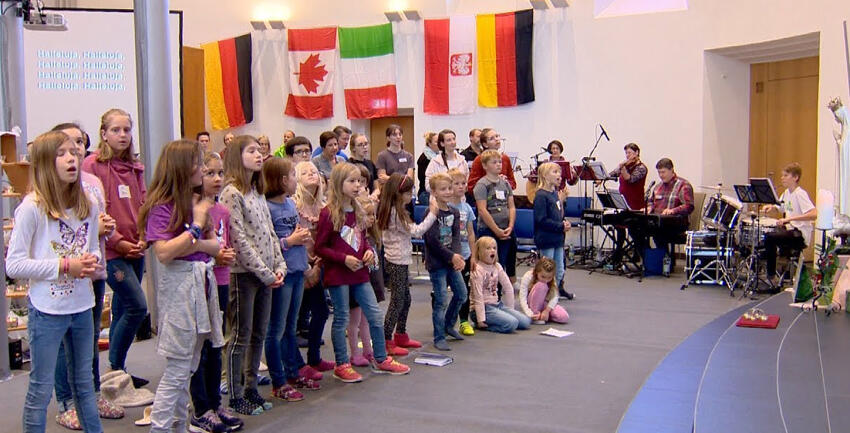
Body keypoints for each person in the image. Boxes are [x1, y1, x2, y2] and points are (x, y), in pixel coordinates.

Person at [8, 131, 104, 433]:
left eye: (74, 152)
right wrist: (65, 265)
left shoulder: (87, 203)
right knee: (40, 388)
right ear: (46, 163)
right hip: (47, 309)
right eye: (61, 153)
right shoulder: (31, 208)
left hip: (81, 305)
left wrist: (91, 263)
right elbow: (14, 264)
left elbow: (93, 249)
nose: (71, 158)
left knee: (85, 386)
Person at [138, 140, 225, 433]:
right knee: (177, 367)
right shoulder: (163, 206)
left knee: (191, 362)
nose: (203, 169)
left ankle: (178, 425)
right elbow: (164, 253)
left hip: (202, 282)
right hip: (180, 286)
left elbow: (216, 246)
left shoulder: (198, 202)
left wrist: (192, 240)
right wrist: (197, 228)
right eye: (198, 163)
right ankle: (161, 428)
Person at [49, 123, 121, 429]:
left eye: (79, 142)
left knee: (89, 339)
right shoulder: (48, 184)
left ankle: (91, 394)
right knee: (64, 342)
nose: (75, 149)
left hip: (94, 271)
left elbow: (99, 226)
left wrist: (108, 227)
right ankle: (67, 401)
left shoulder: (92, 181)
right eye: (66, 144)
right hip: (64, 276)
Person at [315, 163, 411, 383]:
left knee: (375, 315)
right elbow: (321, 247)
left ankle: (380, 357)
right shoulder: (328, 213)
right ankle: (342, 363)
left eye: (359, 181)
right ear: (339, 184)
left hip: (359, 273)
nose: (357, 185)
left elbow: (363, 239)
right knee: (341, 318)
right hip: (339, 275)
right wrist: (343, 258)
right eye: (351, 181)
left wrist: (367, 252)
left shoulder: (358, 209)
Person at [82, 108, 149, 387]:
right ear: (103, 134)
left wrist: (144, 237)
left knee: (123, 311)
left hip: (136, 247)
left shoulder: (135, 166)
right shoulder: (92, 165)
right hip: (110, 250)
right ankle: (112, 368)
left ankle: (118, 371)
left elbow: (143, 204)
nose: (122, 135)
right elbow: (92, 213)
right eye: (116, 130)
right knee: (138, 306)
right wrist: (119, 242)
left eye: (126, 130)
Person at [219, 135, 286, 415]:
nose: (259, 156)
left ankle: (250, 388)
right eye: (251, 151)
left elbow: (270, 233)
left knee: (259, 332)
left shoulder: (257, 192)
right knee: (240, 335)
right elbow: (239, 239)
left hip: (266, 274)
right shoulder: (231, 193)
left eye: (260, 151)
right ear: (237, 156)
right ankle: (235, 394)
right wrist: (264, 272)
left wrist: (279, 266)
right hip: (244, 274)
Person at [188, 151, 243, 433]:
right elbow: (193, 249)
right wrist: (215, 256)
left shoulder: (222, 211)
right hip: (200, 281)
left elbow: (226, 243)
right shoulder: (195, 210)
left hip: (221, 282)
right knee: (201, 347)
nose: (217, 178)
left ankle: (214, 401)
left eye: (221, 173)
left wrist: (226, 257)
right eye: (210, 173)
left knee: (216, 342)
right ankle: (200, 406)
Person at [263, 157, 319, 404]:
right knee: (276, 329)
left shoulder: (289, 204)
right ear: (283, 180)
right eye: (294, 176)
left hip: (297, 270)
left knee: (290, 327)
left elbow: (296, 235)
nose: (296, 181)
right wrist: (290, 241)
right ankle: (278, 380)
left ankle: (292, 372)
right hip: (282, 274)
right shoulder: (267, 208)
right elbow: (269, 243)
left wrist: (306, 260)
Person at [377, 174, 438, 354]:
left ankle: (401, 334)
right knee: (397, 301)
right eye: (408, 192)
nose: (411, 195)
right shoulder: (395, 213)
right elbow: (417, 231)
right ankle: (387, 338)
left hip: (401, 259)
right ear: (398, 193)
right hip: (396, 261)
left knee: (406, 299)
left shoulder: (398, 210)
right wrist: (432, 214)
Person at [292, 161, 335, 378]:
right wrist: (308, 265)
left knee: (320, 311)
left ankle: (314, 357)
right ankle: (297, 365)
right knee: (295, 317)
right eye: (305, 172)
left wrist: (317, 264)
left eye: (314, 172)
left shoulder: (322, 207)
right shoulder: (293, 205)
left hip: (317, 264)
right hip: (298, 266)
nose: (312, 175)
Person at [423, 173, 468, 351]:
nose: (448, 192)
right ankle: (439, 335)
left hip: (451, 261)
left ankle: (449, 325)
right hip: (437, 263)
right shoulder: (431, 213)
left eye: (449, 188)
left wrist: (457, 256)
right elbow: (432, 241)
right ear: (433, 192)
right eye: (443, 189)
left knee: (462, 294)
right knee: (441, 299)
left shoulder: (454, 212)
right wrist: (451, 256)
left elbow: (456, 236)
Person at [762, 162, 816, 286]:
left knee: (770, 238)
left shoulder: (800, 194)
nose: (782, 178)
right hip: (791, 231)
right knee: (768, 234)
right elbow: (780, 207)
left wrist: (789, 220)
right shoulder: (786, 193)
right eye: (782, 175)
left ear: (795, 177)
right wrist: (771, 207)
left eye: (786, 175)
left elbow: (813, 213)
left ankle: (772, 276)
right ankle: (780, 267)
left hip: (799, 234)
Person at [347, 196, 386, 366]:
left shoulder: (373, 237)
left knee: (366, 321)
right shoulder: (355, 237)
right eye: (368, 215)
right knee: (354, 321)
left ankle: (368, 350)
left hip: (371, 282)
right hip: (358, 283)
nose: (372, 218)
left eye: (373, 215)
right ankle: (355, 353)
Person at [469, 237, 531, 333]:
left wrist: (511, 310)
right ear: (479, 251)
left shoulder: (497, 266)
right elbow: (478, 296)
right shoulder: (477, 270)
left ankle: (503, 319)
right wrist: (481, 319)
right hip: (483, 308)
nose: (492, 250)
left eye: (494, 248)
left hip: (497, 305)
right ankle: (481, 325)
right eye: (488, 248)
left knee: (526, 322)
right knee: (512, 324)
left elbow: (508, 287)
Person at [474, 149, 518, 283]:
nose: (499, 164)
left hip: (505, 229)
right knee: (488, 264)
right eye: (494, 162)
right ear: (485, 166)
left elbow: (511, 206)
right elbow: (482, 210)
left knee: (501, 264)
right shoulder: (482, 185)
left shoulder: (505, 183)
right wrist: (496, 230)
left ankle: (497, 295)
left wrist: (510, 226)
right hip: (489, 230)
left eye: (500, 162)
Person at [643, 158, 694, 266]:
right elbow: (651, 202)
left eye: (663, 172)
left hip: (677, 224)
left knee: (659, 232)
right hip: (659, 221)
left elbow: (689, 206)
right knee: (637, 229)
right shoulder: (657, 187)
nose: (661, 175)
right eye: (659, 172)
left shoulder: (683, 185)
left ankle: (665, 261)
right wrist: (649, 208)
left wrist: (673, 211)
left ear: (671, 170)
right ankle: (649, 260)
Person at [533, 162, 573, 299]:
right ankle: (542, 295)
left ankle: (553, 294)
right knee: (546, 269)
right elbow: (541, 220)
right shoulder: (540, 196)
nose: (559, 176)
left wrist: (564, 222)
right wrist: (560, 226)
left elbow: (558, 215)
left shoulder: (555, 194)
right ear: (545, 175)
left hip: (557, 238)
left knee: (559, 270)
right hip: (546, 238)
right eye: (555, 172)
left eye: (560, 173)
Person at [446, 169, 477, 337]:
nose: (460, 187)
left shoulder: (467, 208)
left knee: (464, 289)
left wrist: (473, 255)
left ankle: (464, 321)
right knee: (442, 291)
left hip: (464, 254)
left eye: (463, 183)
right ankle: (441, 321)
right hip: (448, 255)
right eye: (456, 184)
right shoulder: (447, 207)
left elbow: (471, 233)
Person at [517, 258, 569, 324]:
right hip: (532, 303)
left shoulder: (552, 279)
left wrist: (547, 310)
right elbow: (522, 297)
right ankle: (535, 315)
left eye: (549, 278)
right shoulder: (528, 276)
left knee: (564, 317)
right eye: (543, 277)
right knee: (541, 285)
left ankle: (543, 315)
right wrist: (529, 313)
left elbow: (555, 296)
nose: (546, 280)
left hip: (545, 303)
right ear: (536, 272)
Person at [467, 128, 516, 195]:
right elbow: (471, 187)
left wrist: (505, 182)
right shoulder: (479, 160)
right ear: (485, 144)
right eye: (491, 138)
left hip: (504, 199)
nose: (496, 139)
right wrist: (492, 181)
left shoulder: (505, 158)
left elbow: (513, 183)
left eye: (497, 136)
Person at [608, 143, 647, 210]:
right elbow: (614, 173)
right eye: (626, 153)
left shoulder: (641, 168)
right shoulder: (627, 166)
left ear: (637, 152)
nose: (627, 155)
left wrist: (623, 166)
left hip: (635, 204)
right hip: (623, 203)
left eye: (629, 153)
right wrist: (602, 178)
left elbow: (629, 179)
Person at [417, 132, 440, 204]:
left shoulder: (440, 157)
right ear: (429, 144)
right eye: (436, 142)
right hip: (426, 193)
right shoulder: (424, 159)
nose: (439, 144)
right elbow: (423, 178)